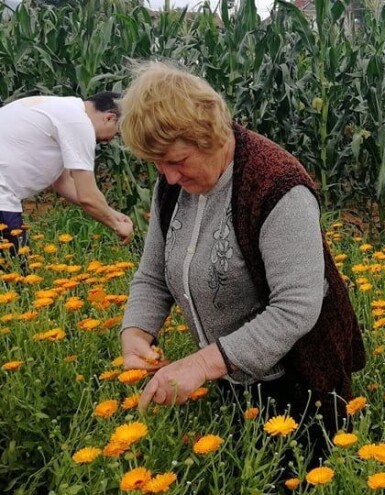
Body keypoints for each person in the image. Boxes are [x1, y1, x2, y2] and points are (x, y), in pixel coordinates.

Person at [117, 62, 366, 470]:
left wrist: (201, 364)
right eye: (157, 164)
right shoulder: (172, 185)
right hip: (229, 376)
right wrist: (136, 333)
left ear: (211, 134)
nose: (169, 176)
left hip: (298, 382)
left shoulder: (277, 186)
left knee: (297, 475)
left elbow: (296, 307)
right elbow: (153, 275)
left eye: (177, 160)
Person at [0, 93, 133, 252]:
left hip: (4, 195)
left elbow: (64, 183)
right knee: (15, 270)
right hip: (3, 197)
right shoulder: (79, 123)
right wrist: (117, 226)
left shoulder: (65, 111)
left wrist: (111, 213)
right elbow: (87, 196)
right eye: (117, 133)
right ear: (110, 118)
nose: (112, 139)